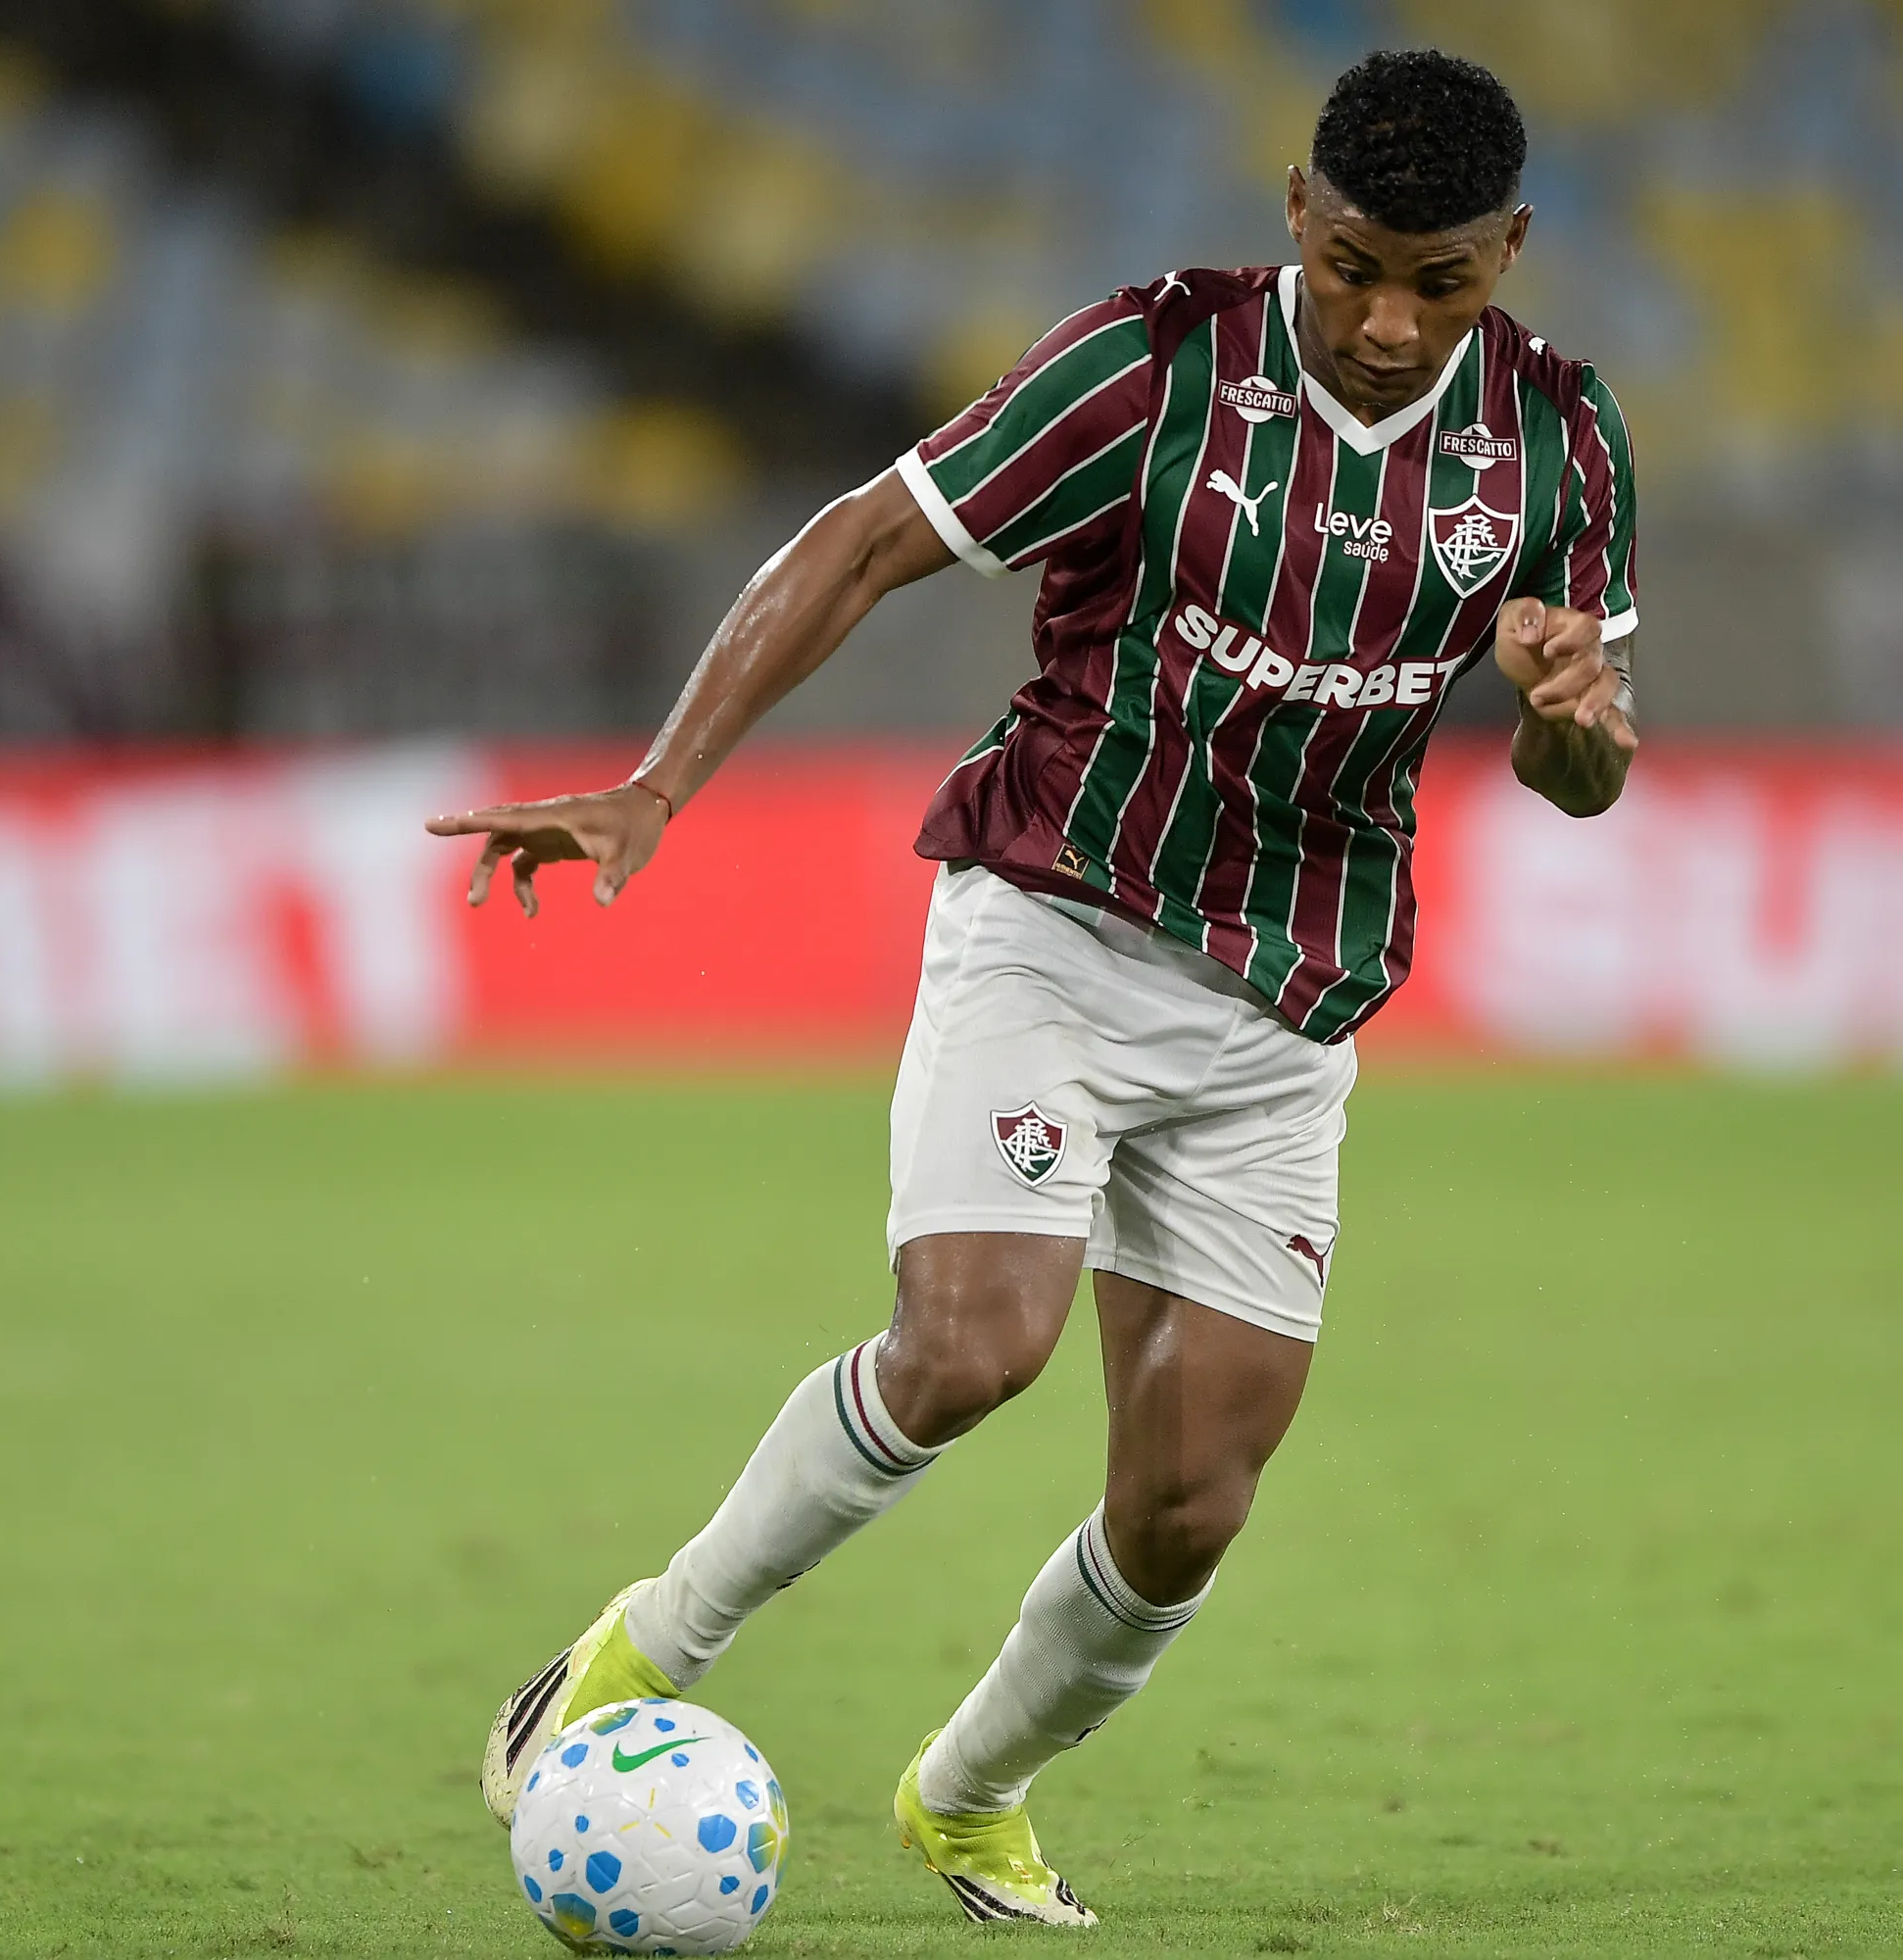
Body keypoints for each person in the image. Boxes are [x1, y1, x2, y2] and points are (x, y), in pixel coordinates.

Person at [432, 47, 1636, 1931]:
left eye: (1445, 282)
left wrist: (1575, 721)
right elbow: (865, 543)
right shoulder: (1153, 368)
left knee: (1189, 1509)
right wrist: (658, 783)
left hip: (1283, 1015)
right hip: (1057, 921)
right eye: (1357, 272)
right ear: (1298, 219)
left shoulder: (1558, 444)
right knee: (972, 1346)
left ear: (1512, 251)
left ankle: (966, 1794)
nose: (1393, 324)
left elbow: (1585, 772)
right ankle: (637, 1656)